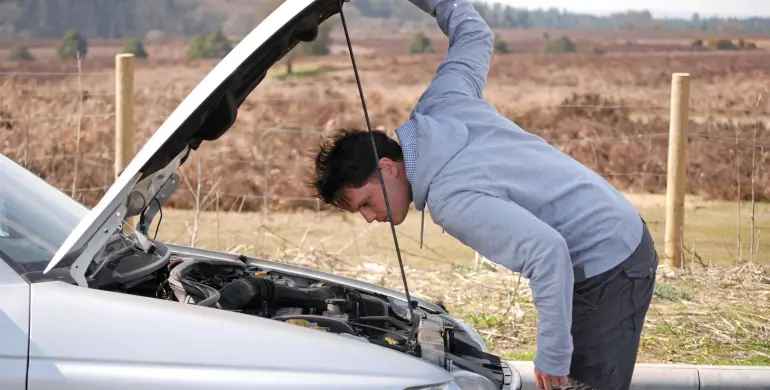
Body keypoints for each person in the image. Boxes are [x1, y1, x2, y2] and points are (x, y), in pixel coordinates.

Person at [308, 1, 658, 389]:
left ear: (388, 168)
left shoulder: (450, 198)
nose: (371, 219)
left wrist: (552, 354)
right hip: (611, 224)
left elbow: (548, 253)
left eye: (367, 204)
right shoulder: (443, 102)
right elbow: (473, 33)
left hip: (609, 259)